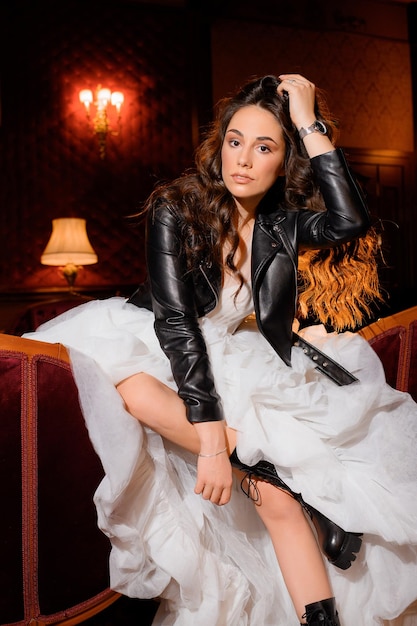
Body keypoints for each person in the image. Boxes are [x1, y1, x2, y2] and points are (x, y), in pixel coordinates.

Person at [25, 74, 417, 626]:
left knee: (278, 500)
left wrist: (309, 122)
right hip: (155, 338)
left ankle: (301, 540)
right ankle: (286, 487)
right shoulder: (177, 207)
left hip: (235, 353)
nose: (244, 160)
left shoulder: (280, 224)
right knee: (132, 385)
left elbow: (349, 220)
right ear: (220, 144)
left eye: (265, 147)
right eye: (235, 141)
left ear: (286, 161)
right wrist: (211, 440)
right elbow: (177, 322)